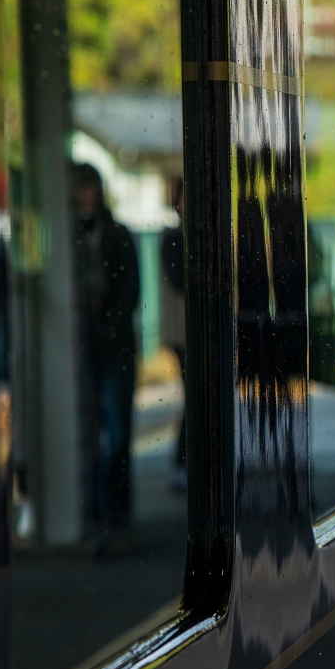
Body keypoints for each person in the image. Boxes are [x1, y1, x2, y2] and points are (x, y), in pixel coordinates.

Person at [73, 163, 140, 536]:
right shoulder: (72, 238)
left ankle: (114, 506)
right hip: (88, 342)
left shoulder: (117, 234)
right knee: (93, 430)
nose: (89, 195)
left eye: (91, 187)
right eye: (83, 188)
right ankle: (97, 506)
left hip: (111, 342)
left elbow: (131, 288)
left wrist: (110, 323)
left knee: (115, 430)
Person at [160, 177, 187, 490]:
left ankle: (184, 461)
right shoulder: (173, 240)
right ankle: (181, 461)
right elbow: (181, 280)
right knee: (194, 395)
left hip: (187, 330)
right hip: (183, 331)